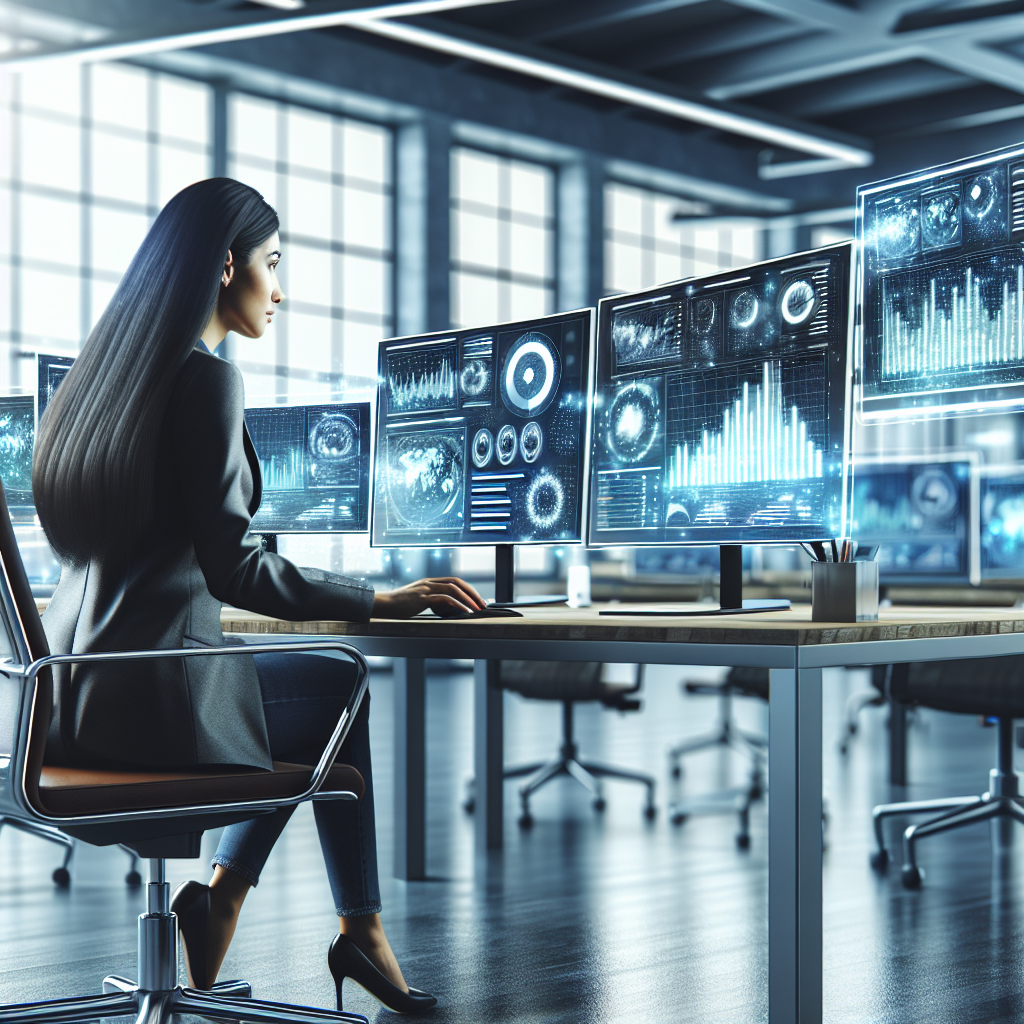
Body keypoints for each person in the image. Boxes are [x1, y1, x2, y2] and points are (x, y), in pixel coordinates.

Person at [32, 177, 485, 1013]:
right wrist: (383, 599)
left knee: (288, 696)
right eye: (273, 265)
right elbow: (235, 569)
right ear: (227, 263)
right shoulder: (204, 380)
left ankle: (234, 904)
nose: (280, 289)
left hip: (62, 701)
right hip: (146, 709)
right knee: (341, 684)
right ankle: (336, 925)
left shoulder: (101, 384)